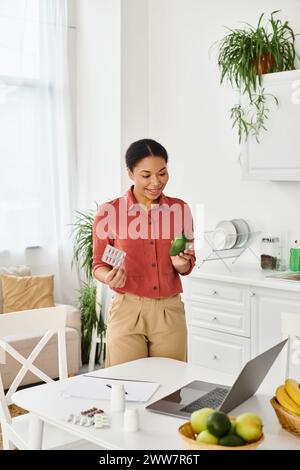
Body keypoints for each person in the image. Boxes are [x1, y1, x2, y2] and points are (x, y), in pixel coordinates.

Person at [92, 139, 196, 367]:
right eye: (146, 175)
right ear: (130, 173)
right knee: (124, 387)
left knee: (170, 391)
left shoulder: (180, 209)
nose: (156, 182)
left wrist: (180, 263)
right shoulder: (109, 212)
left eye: (162, 173)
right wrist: (107, 276)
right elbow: (98, 264)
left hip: (169, 311)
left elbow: (187, 265)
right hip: (127, 310)